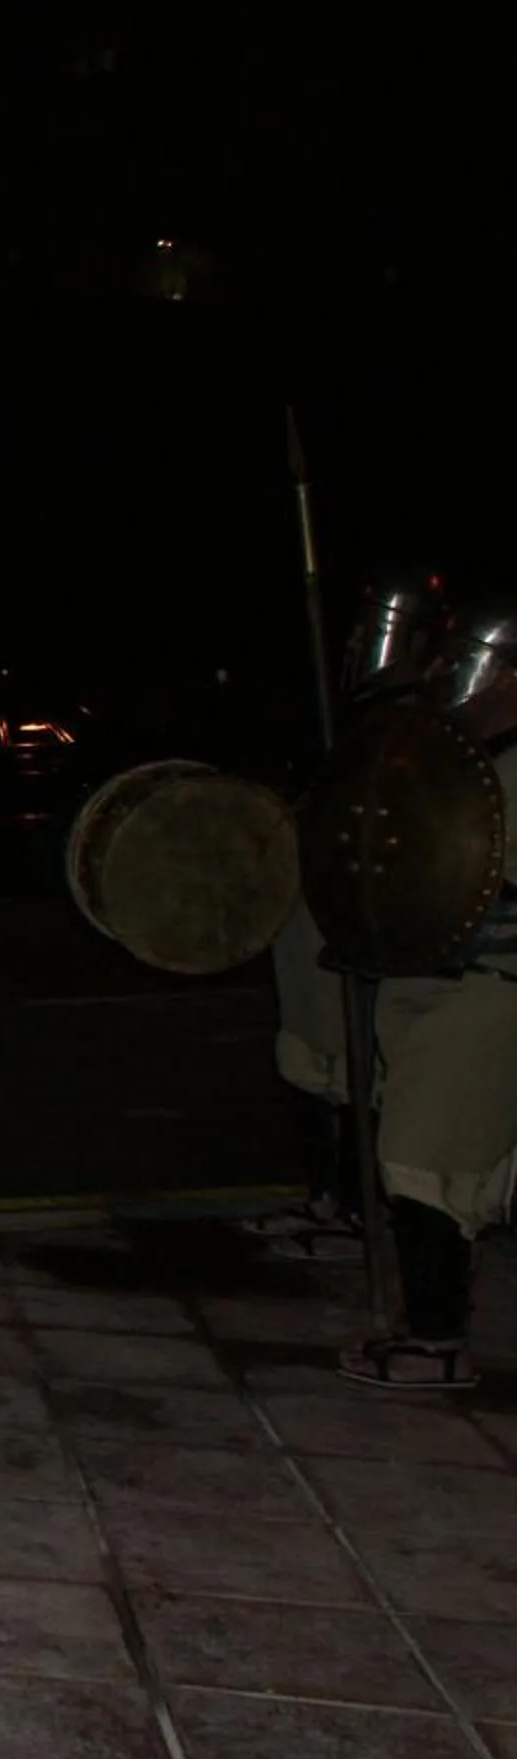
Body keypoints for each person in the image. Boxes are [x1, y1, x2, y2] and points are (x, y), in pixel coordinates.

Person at [242, 570, 448, 1259]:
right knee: (311, 1055)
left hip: (371, 910)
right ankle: (328, 1200)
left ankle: (364, 1213)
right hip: (316, 903)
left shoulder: (430, 719)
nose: (363, 641)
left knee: (367, 1069)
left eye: (377, 628)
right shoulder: (341, 707)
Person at [340, 607, 517, 1391]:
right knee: (427, 1156)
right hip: (427, 976)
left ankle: (441, 1343)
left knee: (428, 1159)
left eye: (470, 662)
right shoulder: (447, 756)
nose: (451, 677)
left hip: (491, 986)